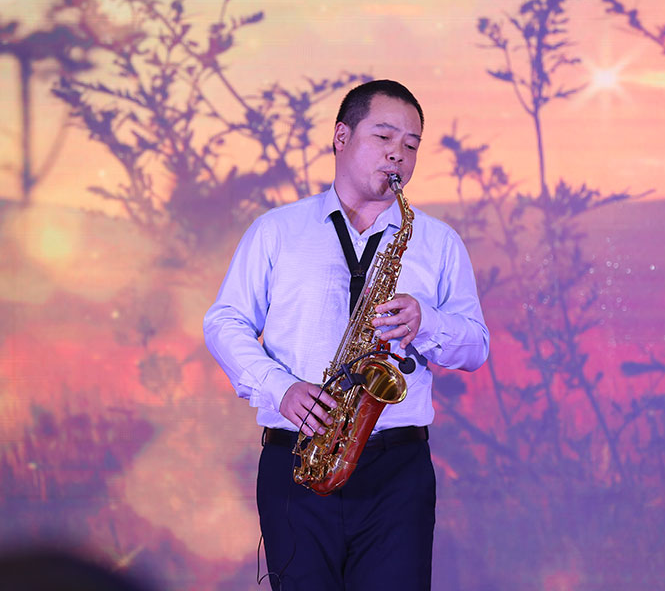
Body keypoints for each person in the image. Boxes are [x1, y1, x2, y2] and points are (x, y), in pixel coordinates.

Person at [204, 79, 489, 590]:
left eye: (411, 145)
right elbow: (224, 321)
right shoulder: (277, 230)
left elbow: (475, 347)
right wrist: (280, 388)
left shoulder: (439, 242)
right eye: (384, 137)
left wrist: (428, 321)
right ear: (341, 137)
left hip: (397, 472)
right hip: (299, 458)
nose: (398, 155)